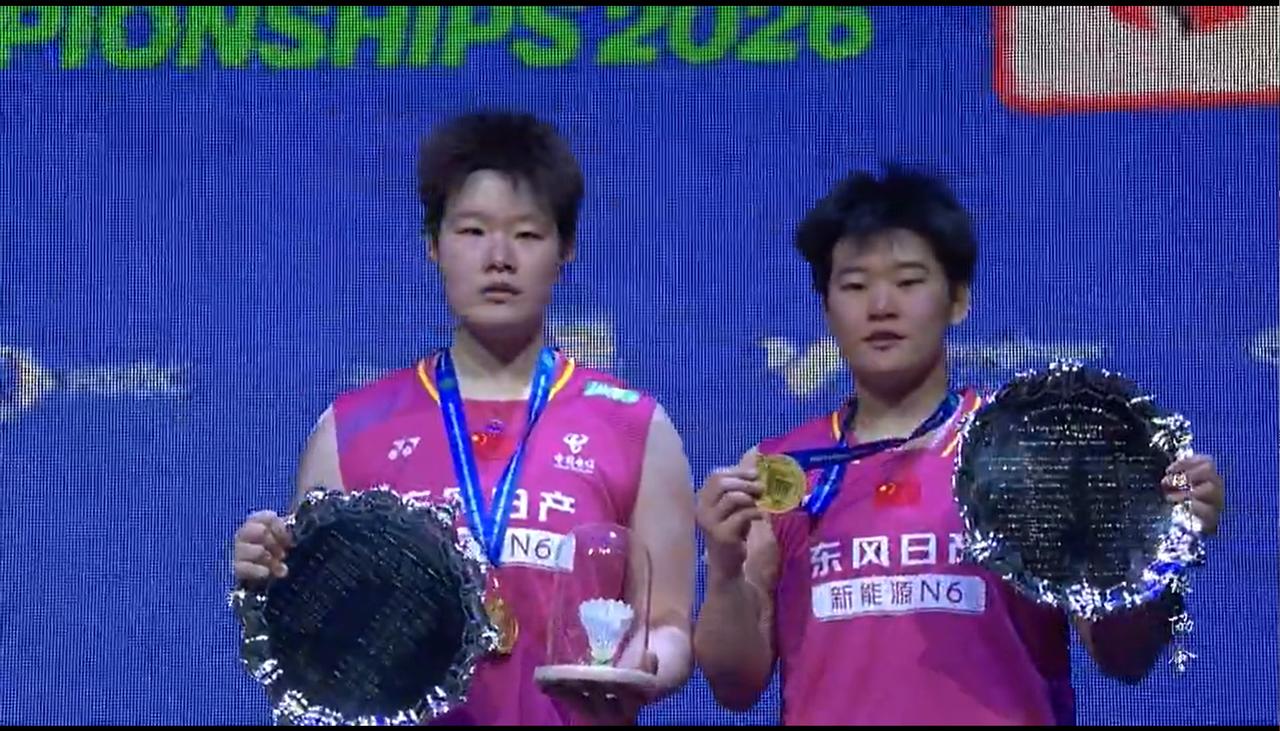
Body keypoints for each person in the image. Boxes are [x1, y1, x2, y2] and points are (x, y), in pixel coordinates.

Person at [692, 165, 1227, 725]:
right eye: (854, 286)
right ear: (826, 307)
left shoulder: (1033, 447)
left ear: (958, 300)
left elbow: (1124, 657)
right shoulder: (779, 469)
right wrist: (725, 566)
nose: (881, 305)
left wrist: (1159, 545)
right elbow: (735, 685)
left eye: (908, 282)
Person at [230, 110, 696, 725]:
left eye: (527, 234)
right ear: (434, 244)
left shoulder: (635, 428)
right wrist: (274, 576)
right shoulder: (350, 430)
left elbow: (668, 623)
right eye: (473, 231)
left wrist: (645, 665)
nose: (499, 258)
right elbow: (327, 641)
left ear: (566, 249)